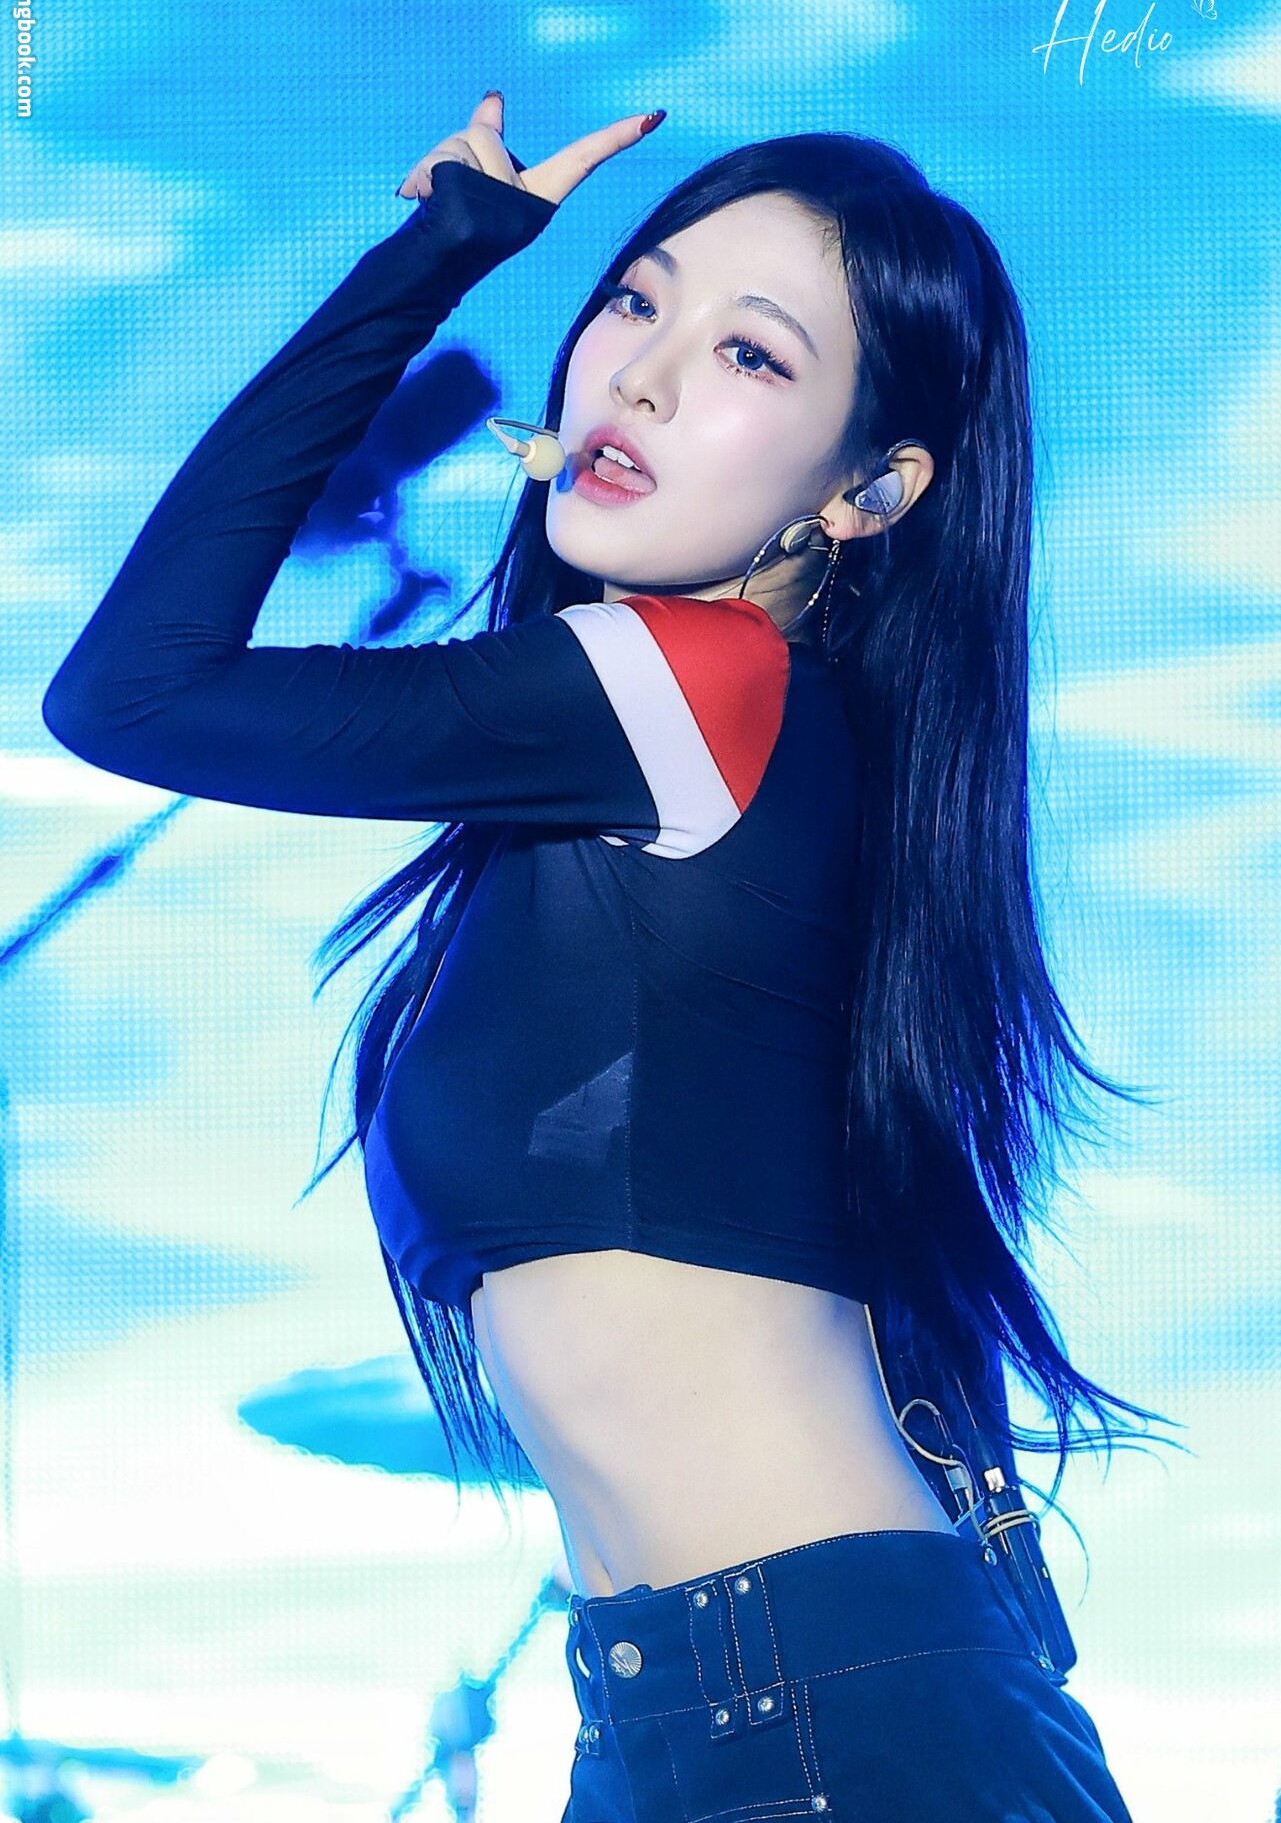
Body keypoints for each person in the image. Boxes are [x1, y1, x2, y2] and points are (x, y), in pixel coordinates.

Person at [41, 91, 1176, 1820]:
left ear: (867, 491)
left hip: (816, 1703)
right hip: (728, 1698)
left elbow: (131, 695)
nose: (637, 376)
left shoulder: (698, 683)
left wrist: (433, 258)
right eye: (635, 301)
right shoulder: (723, 750)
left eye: (749, 355)